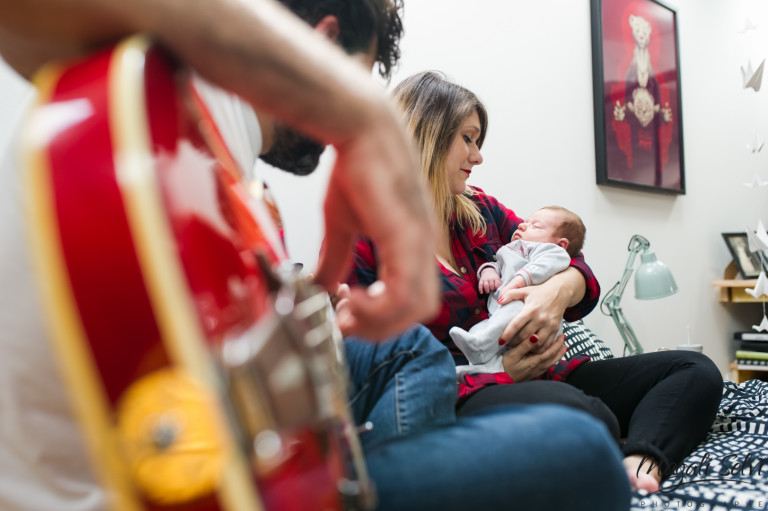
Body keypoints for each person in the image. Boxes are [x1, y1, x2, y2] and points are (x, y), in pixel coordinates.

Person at [0, 2, 632, 510]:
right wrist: (362, 114)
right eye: (358, 76)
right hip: (194, 482)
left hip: (249, 437)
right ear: (322, 44)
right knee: (578, 445)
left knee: (411, 353)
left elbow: (566, 260)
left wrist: (559, 287)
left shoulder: (233, 177)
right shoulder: (159, 96)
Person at [348, 70, 723, 493]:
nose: (478, 156)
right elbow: (382, 371)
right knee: (586, 417)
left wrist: (554, 292)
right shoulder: (364, 237)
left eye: (478, 142)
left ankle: (640, 461)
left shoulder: (482, 211)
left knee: (695, 370)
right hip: (463, 396)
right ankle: (605, 453)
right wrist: (500, 372)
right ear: (427, 135)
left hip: (546, 372)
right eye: (468, 139)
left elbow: (572, 263)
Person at [449, 206, 585, 380]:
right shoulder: (511, 249)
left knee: (504, 317)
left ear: (561, 244)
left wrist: (521, 280)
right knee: (481, 328)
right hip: (501, 310)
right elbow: (499, 264)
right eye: (525, 222)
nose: (521, 225)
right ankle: (479, 370)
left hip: (526, 306)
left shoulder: (548, 251)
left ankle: (481, 347)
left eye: (535, 226)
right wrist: (488, 270)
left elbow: (553, 262)